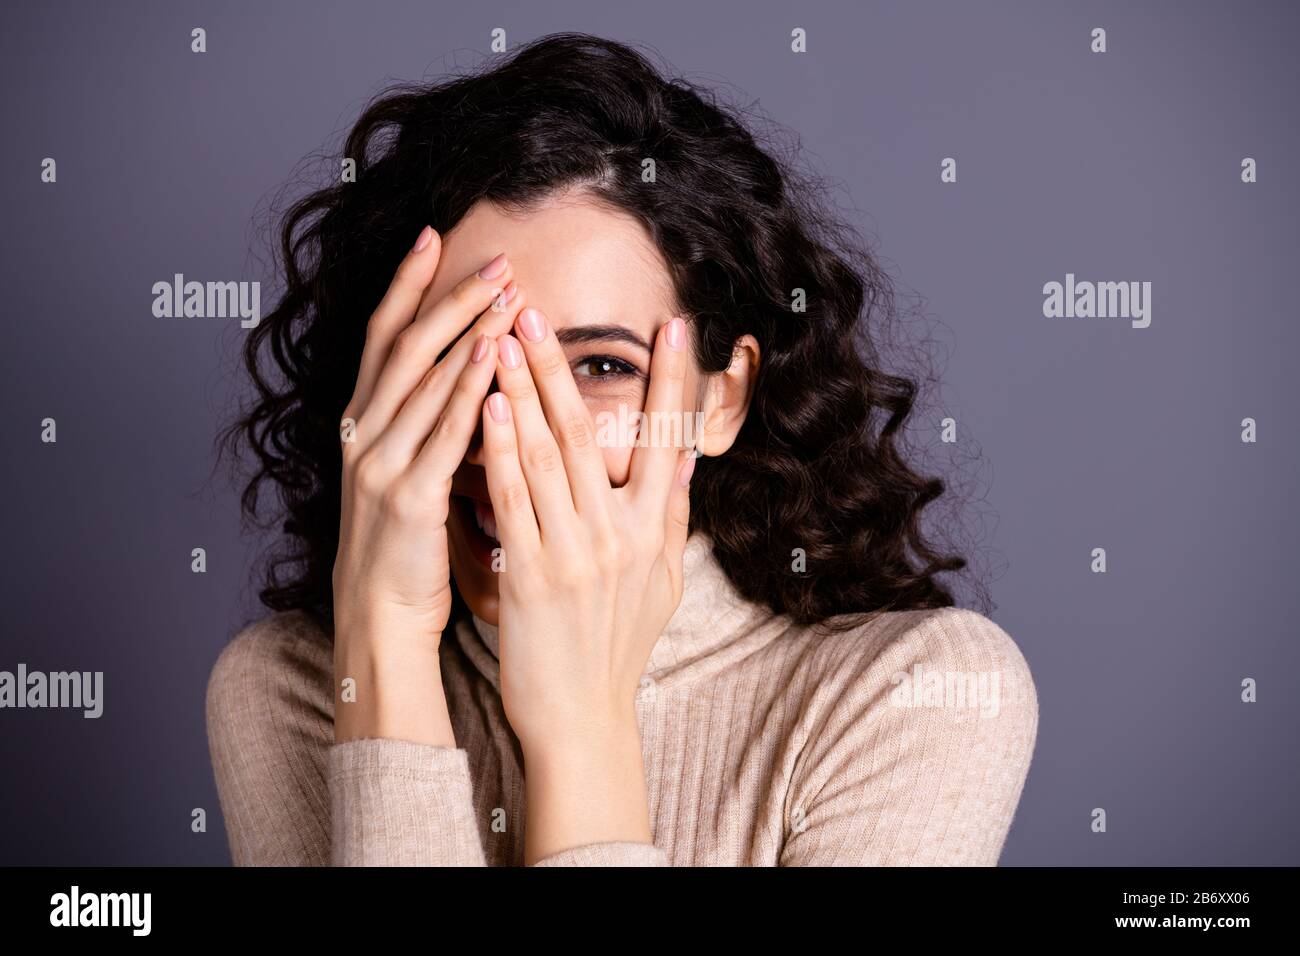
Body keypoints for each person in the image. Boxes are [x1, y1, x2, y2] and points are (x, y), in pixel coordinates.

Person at [207, 32, 1038, 866]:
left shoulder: (922, 696)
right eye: (457, 357)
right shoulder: (290, 686)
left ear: (723, 396)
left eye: (603, 366)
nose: (513, 440)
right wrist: (382, 647)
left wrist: (581, 722)